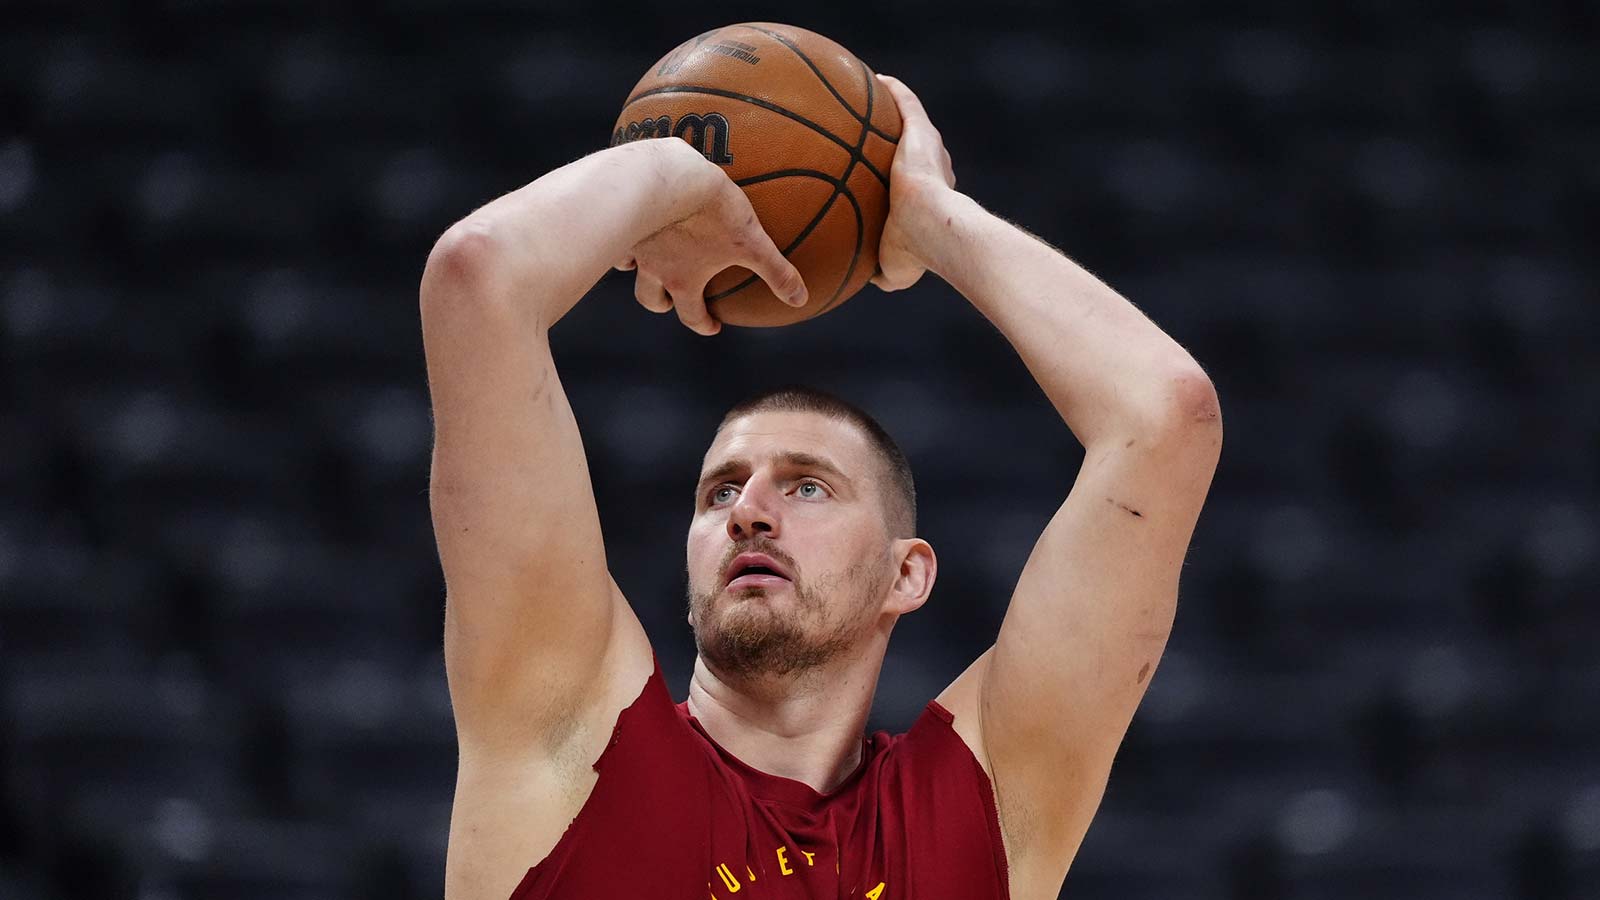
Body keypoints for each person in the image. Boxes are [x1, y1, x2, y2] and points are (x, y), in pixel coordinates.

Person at [420, 75, 1222, 900]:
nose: (749, 515)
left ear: (906, 573)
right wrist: (674, 172)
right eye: (719, 493)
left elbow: (1166, 417)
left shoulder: (983, 810)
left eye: (807, 488)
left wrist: (933, 221)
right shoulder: (572, 738)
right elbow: (478, 280)